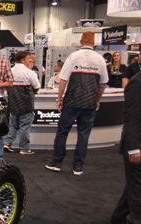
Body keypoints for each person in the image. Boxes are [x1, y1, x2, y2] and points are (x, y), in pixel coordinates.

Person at [46, 31, 108, 175]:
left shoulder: (73, 57)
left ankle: (56, 163)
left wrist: (59, 99)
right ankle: (78, 167)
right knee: (83, 135)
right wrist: (97, 100)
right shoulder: (100, 59)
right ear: (94, 42)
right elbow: (103, 84)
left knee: (62, 133)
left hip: (72, 102)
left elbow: (63, 80)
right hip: (89, 104)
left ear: (81, 41)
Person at [110, 67, 141, 224]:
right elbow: (131, 118)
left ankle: (118, 217)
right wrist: (133, 147)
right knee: (138, 188)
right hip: (139, 145)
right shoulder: (138, 82)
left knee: (138, 185)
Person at [4, 51, 40, 155]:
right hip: (26, 104)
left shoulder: (10, 72)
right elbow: (37, 87)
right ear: (22, 60)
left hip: (13, 104)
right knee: (25, 127)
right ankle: (24, 149)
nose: (29, 60)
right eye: (28, 58)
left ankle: (7, 143)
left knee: (13, 125)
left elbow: (6, 86)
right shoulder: (30, 72)